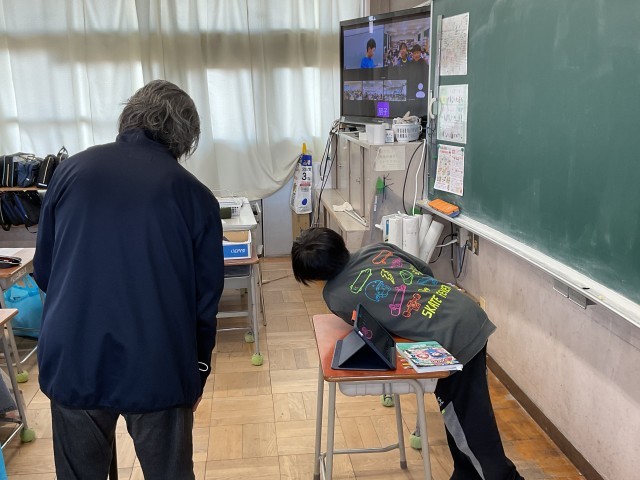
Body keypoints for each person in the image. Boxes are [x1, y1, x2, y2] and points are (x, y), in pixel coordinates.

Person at [33, 80, 225, 480]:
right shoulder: (194, 196)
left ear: (129, 116)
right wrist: (198, 371)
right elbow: (205, 303)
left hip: (73, 356)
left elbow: (46, 272)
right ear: (186, 137)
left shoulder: (69, 172)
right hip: (158, 363)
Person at [291, 228, 525, 480]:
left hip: (452, 336)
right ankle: (466, 473)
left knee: (467, 417)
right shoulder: (376, 249)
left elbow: (370, 326)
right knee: (458, 410)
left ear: (313, 277)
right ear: (341, 244)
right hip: (463, 310)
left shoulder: (335, 296)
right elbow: (424, 270)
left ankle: (502, 476)